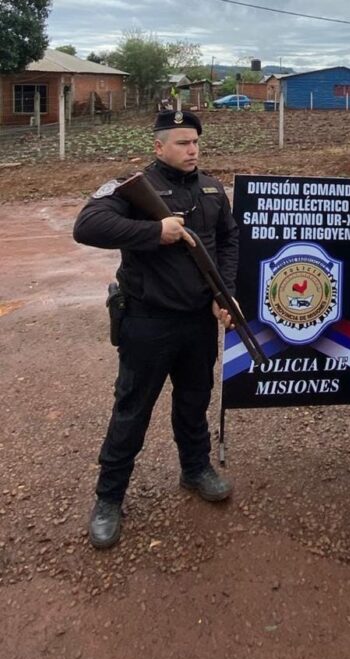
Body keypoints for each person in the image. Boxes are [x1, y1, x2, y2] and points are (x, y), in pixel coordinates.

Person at [73, 110, 238, 549]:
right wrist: (154, 231)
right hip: (147, 321)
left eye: (196, 142)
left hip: (197, 323)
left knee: (194, 400)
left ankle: (196, 468)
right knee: (132, 409)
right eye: (182, 143)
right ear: (158, 146)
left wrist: (226, 295)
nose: (192, 150)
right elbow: (86, 226)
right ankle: (109, 498)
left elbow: (228, 241)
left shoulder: (213, 188)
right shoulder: (132, 188)